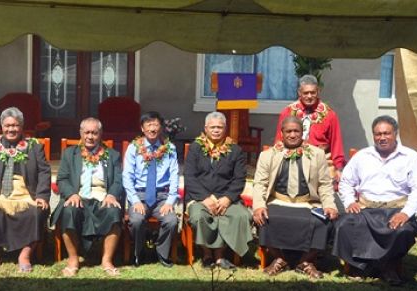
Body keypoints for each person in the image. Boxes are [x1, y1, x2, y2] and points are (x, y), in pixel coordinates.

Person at [333, 115, 417, 286]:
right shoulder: (362, 156)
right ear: (373, 135)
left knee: (403, 231)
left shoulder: (411, 157)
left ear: (395, 134)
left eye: (386, 133)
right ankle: (357, 266)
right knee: (344, 224)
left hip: (397, 209)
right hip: (366, 208)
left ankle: (388, 266)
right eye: (378, 134)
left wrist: (405, 213)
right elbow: (346, 182)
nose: (382, 138)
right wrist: (349, 202)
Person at [252, 116, 338, 279]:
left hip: (307, 202)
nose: (292, 135)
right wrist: (258, 206)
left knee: (323, 221)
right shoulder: (268, 155)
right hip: (278, 200)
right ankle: (280, 258)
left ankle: (305, 261)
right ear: (282, 133)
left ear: (302, 133)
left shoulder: (317, 154)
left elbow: (325, 184)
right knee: (264, 218)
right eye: (288, 131)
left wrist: (329, 205)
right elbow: (260, 184)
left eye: (296, 131)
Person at [0, 107, 51, 273]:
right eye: (7, 125)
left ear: (22, 126)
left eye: (15, 125)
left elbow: (44, 171)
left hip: (26, 194)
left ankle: (24, 256)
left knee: (37, 212)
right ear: (2, 126)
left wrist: (42, 196)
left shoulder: (34, 146)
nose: (11, 129)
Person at [51, 117, 123, 277]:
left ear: (100, 134)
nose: (90, 137)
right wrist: (71, 194)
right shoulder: (70, 154)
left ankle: (107, 260)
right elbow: (62, 178)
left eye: (94, 133)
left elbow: (119, 179)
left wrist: (111, 195)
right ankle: (73, 259)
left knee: (114, 212)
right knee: (68, 211)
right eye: (87, 132)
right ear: (81, 133)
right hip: (79, 197)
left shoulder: (113, 155)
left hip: (102, 197)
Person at [184, 112, 252, 269]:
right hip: (200, 198)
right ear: (206, 128)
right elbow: (190, 176)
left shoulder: (236, 150)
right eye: (213, 127)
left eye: (219, 127)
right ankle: (207, 255)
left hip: (227, 198)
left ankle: (221, 256)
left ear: (225, 129)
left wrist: (228, 198)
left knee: (241, 216)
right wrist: (205, 198)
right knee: (199, 216)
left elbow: (239, 179)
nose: (216, 130)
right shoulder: (195, 148)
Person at [122, 111, 179, 268]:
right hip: (139, 194)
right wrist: (134, 200)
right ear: (142, 128)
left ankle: (160, 252)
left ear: (161, 128)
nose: (152, 129)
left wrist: (170, 201)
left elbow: (175, 176)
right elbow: (127, 177)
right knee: (136, 220)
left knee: (171, 220)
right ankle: (139, 253)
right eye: (149, 125)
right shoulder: (134, 148)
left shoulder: (170, 149)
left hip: (162, 195)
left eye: (156, 125)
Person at [274, 74, 345, 180]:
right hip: (291, 163)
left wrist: (339, 169)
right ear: (299, 93)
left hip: (320, 165)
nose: (309, 96)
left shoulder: (330, 115)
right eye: (305, 93)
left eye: (313, 92)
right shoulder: (287, 112)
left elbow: (336, 144)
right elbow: (279, 141)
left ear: (318, 92)